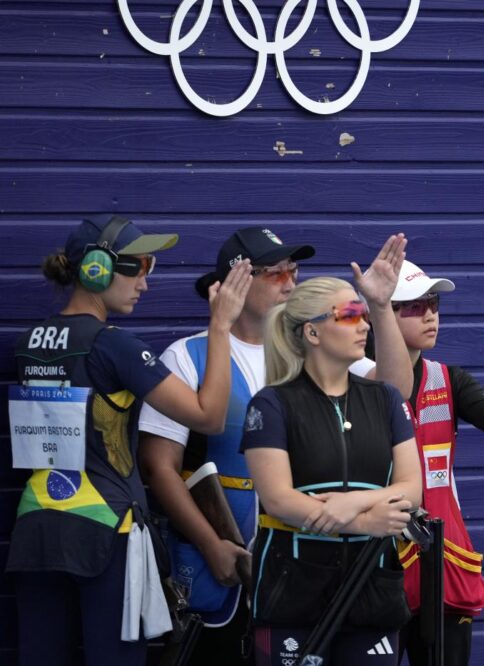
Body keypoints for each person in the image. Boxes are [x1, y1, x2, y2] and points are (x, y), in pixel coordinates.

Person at [137, 229, 413, 663]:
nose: (290, 282)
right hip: (225, 560)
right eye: (275, 273)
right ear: (237, 281)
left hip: (308, 562)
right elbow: (159, 467)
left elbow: (394, 391)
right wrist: (210, 544)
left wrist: (379, 307)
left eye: (294, 271)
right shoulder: (186, 356)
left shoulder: (320, 354)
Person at [6, 215, 250, 666]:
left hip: (36, 527)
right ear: (95, 268)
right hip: (107, 530)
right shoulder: (113, 345)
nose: (146, 282)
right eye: (138, 266)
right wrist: (220, 327)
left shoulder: (30, 340)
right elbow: (210, 417)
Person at [242, 276, 422, 666]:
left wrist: (355, 502)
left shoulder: (385, 398)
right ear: (312, 332)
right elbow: (278, 497)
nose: (364, 324)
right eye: (351, 314)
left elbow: (411, 487)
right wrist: (362, 523)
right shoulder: (271, 404)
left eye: (363, 314)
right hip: (292, 592)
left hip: (371, 589)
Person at [368, 260, 484, 666]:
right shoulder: (356, 378)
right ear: (382, 313)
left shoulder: (447, 379)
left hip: (440, 558)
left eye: (435, 304)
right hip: (375, 560)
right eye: (415, 306)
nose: (431, 315)